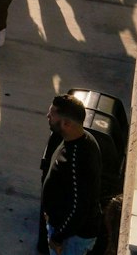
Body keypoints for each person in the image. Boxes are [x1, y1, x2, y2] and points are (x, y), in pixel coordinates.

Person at [41, 96, 104, 255]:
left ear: (66, 124)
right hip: (64, 230)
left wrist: (57, 237)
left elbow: (79, 209)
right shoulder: (78, 139)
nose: (48, 116)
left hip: (72, 238)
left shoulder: (77, 160)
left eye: (52, 115)